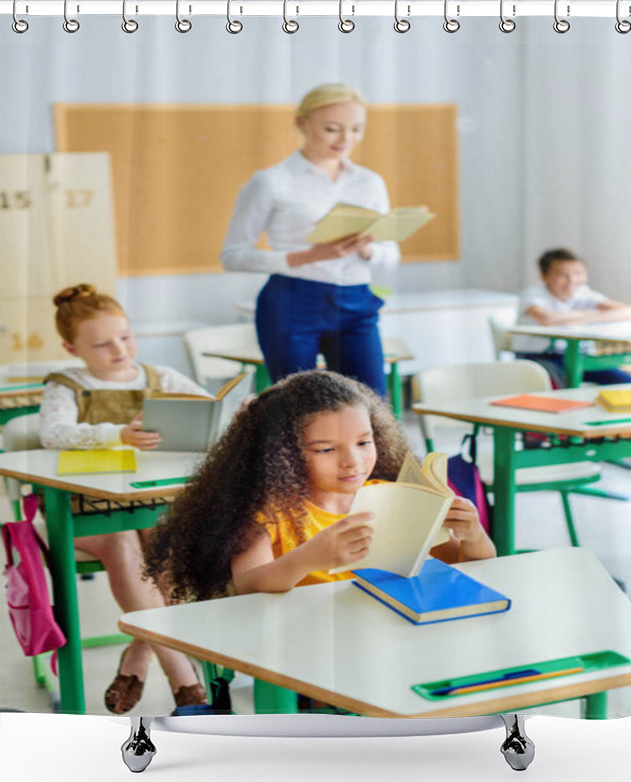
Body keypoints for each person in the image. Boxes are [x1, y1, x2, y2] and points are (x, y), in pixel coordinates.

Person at [144, 370, 495, 603]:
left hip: (385, 630)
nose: (352, 461)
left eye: (363, 442)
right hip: (306, 650)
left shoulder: (387, 498)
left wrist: (473, 535)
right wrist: (313, 556)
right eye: (326, 449)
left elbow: (464, 562)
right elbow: (249, 583)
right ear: (281, 455)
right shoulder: (270, 512)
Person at [38, 284, 207, 713]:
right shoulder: (66, 386)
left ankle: (138, 654)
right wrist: (118, 434)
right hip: (82, 512)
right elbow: (53, 434)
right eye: (101, 343)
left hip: (147, 505)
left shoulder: (160, 377)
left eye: (126, 336)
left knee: (165, 544)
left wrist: (236, 411)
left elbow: (207, 407)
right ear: (71, 346)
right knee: (121, 543)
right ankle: (182, 675)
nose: (119, 349)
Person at [220, 83, 400, 397]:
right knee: (297, 407)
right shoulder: (271, 181)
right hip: (293, 301)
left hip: (357, 300)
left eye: (357, 129)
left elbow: (392, 254)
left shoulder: (370, 182)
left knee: (372, 405)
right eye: (332, 129)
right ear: (304, 123)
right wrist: (308, 256)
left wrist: (368, 248)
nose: (346, 140)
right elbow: (233, 255)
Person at [511, 248, 631, 387]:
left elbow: (630, 311)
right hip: (537, 358)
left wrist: (582, 318)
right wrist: (596, 316)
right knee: (561, 388)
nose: (572, 280)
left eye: (578, 273)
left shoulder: (582, 293)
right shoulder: (532, 295)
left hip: (579, 357)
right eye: (562, 275)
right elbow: (546, 319)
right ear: (544, 276)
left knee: (628, 383)